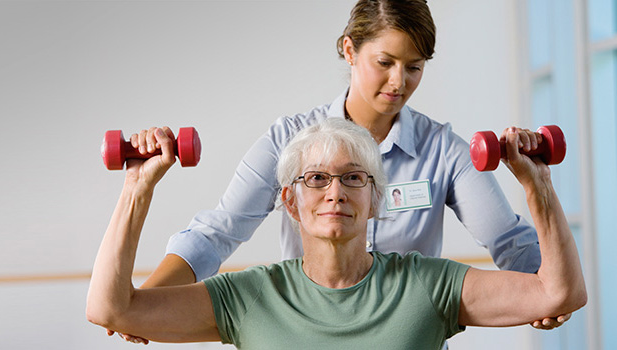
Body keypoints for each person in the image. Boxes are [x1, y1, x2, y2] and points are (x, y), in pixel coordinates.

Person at [111, 0, 568, 342]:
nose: (398, 83)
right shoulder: (288, 140)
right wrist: (148, 303)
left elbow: (509, 241)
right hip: (307, 331)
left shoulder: (444, 151)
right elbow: (217, 233)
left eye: (414, 68)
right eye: (384, 63)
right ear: (350, 51)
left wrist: (545, 293)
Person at [86, 119, 587, 349]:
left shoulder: (426, 285)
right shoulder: (250, 296)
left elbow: (558, 292)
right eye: (316, 179)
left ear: (374, 201)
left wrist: (536, 184)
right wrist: (138, 186)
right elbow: (111, 309)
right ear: (290, 201)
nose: (335, 192)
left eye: (354, 178)